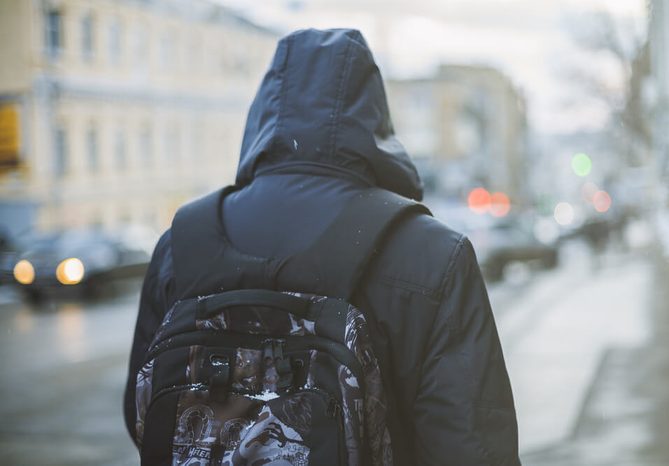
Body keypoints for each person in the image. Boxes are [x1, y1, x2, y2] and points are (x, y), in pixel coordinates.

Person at [124, 28, 520, 465]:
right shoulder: (433, 253)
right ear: (375, 118)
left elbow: (142, 412)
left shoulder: (183, 241)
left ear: (264, 111)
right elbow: (473, 443)